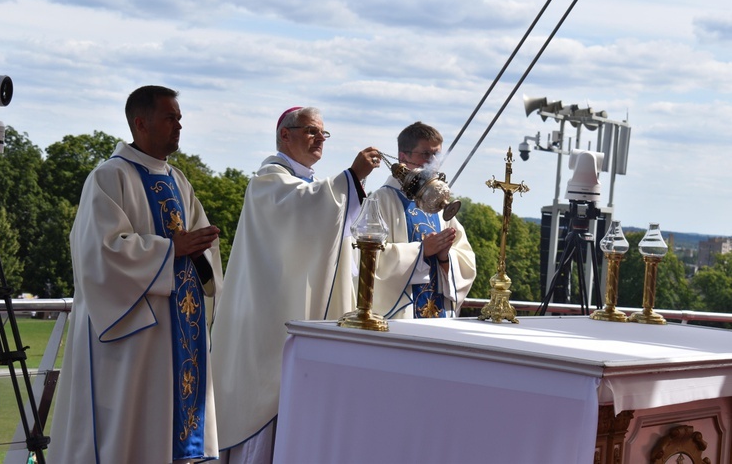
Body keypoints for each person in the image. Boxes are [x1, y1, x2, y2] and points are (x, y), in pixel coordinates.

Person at [48, 86, 224, 463]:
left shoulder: (179, 181)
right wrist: (172, 249)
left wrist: (202, 246)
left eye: (179, 118)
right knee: (131, 432)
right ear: (140, 123)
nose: (179, 126)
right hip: (135, 335)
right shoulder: (109, 178)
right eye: (170, 118)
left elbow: (197, 245)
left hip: (180, 330)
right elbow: (100, 252)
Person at [210, 106, 380, 463]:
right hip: (266, 321)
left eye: (323, 133)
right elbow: (307, 209)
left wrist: (350, 183)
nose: (320, 138)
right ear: (285, 135)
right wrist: (352, 176)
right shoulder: (268, 181)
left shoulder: (307, 185)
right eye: (311, 131)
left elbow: (325, 229)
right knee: (265, 414)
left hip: (292, 314)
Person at [370, 121, 476, 318]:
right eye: (426, 154)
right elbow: (370, 260)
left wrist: (446, 256)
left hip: (437, 313)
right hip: (401, 317)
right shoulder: (381, 200)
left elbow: (466, 258)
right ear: (403, 157)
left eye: (437, 154)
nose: (434, 161)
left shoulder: (437, 201)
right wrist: (421, 251)